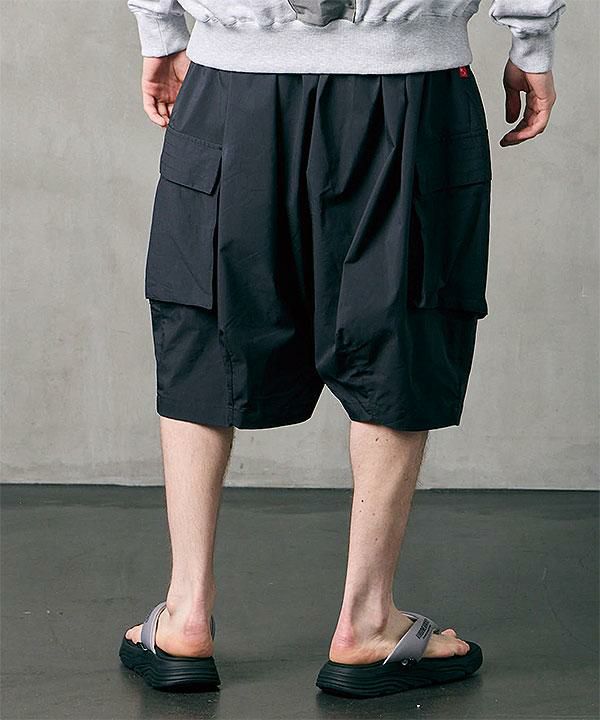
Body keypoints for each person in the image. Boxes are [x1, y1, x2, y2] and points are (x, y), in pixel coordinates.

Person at [120, 0, 566, 699]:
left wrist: (161, 27)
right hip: (410, 76)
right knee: (400, 324)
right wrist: (531, 39)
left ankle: (185, 616)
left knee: (205, 319)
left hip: (236, 77)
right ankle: (365, 623)